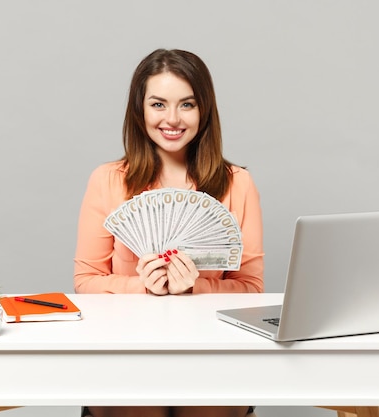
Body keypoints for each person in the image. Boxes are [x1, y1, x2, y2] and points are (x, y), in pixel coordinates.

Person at [73, 49, 264, 417]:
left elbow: (252, 289)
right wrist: (141, 286)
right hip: (126, 347)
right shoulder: (108, 181)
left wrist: (196, 287)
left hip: (212, 348)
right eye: (158, 104)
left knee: (204, 407)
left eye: (187, 104)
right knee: (139, 405)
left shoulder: (237, 184)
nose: (172, 119)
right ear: (139, 110)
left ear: (204, 110)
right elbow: (87, 279)